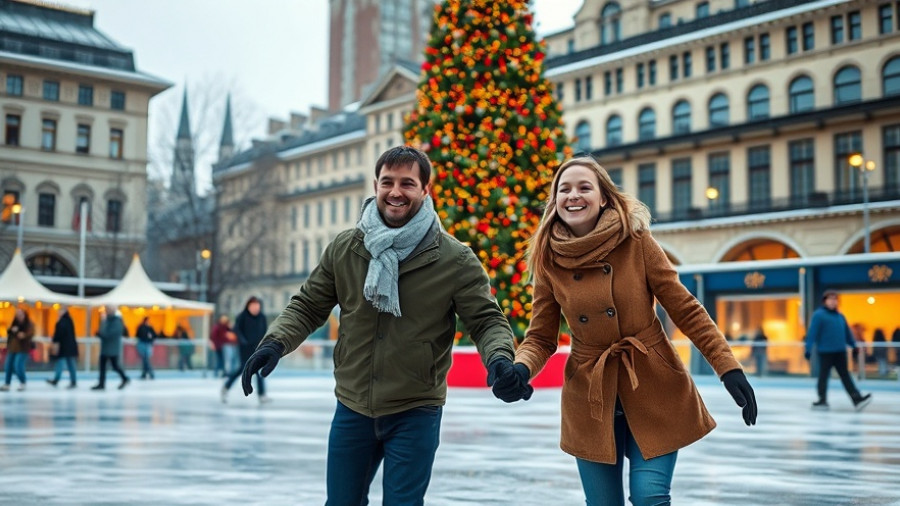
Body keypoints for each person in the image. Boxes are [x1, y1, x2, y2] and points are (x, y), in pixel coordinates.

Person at [239, 146, 530, 505]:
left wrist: (499, 359)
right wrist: (274, 343)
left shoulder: (454, 258)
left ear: (425, 191)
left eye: (407, 183)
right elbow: (308, 304)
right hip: (353, 405)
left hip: (416, 409)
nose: (395, 192)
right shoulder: (346, 248)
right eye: (387, 182)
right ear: (375, 185)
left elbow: (486, 320)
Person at [514, 156, 757, 506]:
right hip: (591, 395)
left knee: (650, 498)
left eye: (584, 187)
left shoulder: (636, 240)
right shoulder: (548, 258)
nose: (573, 196)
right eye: (564, 189)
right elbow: (540, 336)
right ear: (555, 201)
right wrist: (523, 368)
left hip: (652, 385)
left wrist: (727, 367)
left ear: (603, 198)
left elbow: (685, 308)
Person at [804, 290, 872, 411]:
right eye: (830, 299)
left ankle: (857, 399)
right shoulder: (819, 315)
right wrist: (808, 349)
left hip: (840, 351)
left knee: (845, 376)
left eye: (835, 299)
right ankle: (822, 400)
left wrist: (854, 346)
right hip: (825, 352)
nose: (833, 302)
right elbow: (812, 333)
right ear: (825, 301)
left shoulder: (840, 316)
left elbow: (848, 333)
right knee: (823, 376)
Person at [221, 296, 270, 403]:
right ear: (248, 306)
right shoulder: (242, 316)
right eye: (253, 306)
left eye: (257, 306)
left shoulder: (262, 317)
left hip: (258, 348)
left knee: (259, 371)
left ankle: (262, 394)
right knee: (243, 370)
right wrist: (243, 341)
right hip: (245, 349)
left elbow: (265, 331)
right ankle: (226, 386)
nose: (255, 308)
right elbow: (236, 330)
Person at [92, 305, 130, 391]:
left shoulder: (116, 322)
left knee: (115, 366)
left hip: (112, 349)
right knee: (103, 366)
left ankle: (124, 378)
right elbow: (103, 332)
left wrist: (101, 332)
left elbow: (108, 334)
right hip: (106, 348)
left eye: (107, 310)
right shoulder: (107, 320)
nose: (106, 311)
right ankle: (102, 383)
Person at [2, 308, 34, 391]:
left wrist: (17, 332)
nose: (19, 316)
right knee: (8, 366)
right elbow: (9, 332)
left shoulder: (28, 324)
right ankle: (7, 383)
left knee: (18, 365)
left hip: (23, 348)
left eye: (20, 314)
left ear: (24, 315)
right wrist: (12, 331)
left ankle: (23, 382)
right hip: (12, 348)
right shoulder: (14, 323)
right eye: (17, 314)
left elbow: (25, 335)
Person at [47, 306, 78, 388]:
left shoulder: (64, 321)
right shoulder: (68, 320)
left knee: (67, 364)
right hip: (67, 347)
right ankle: (62, 380)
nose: (58, 312)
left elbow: (60, 333)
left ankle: (70, 381)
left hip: (65, 347)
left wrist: (54, 339)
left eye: (60, 311)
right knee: (65, 363)